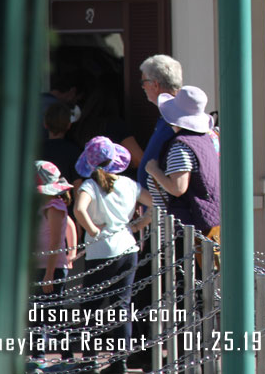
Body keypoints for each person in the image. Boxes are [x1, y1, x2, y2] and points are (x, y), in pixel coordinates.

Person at [73, 137, 153, 374]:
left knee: (91, 307)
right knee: (122, 306)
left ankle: (89, 361)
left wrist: (92, 229)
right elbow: (156, 204)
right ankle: (120, 363)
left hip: (100, 251)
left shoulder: (90, 185)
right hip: (128, 248)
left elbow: (79, 209)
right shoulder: (129, 184)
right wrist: (139, 225)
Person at [144, 86, 222, 236]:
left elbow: (178, 188)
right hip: (207, 223)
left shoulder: (181, 146)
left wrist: (153, 170)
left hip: (183, 232)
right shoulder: (208, 139)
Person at [32, 161, 78, 364]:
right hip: (36, 266)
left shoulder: (55, 205)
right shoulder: (43, 205)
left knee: (54, 315)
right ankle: (37, 356)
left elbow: (55, 241)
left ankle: (66, 356)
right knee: (36, 315)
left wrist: (50, 273)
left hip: (50, 268)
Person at [137, 54, 183, 189]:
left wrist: (153, 171)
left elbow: (179, 184)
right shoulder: (169, 115)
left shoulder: (178, 119)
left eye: (143, 82)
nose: (143, 87)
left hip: (170, 206)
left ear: (155, 84)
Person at [40, 101, 82, 184]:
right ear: (69, 125)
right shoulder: (74, 151)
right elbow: (77, 184)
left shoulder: (35, 149)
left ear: (45, 124)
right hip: (64, 196)